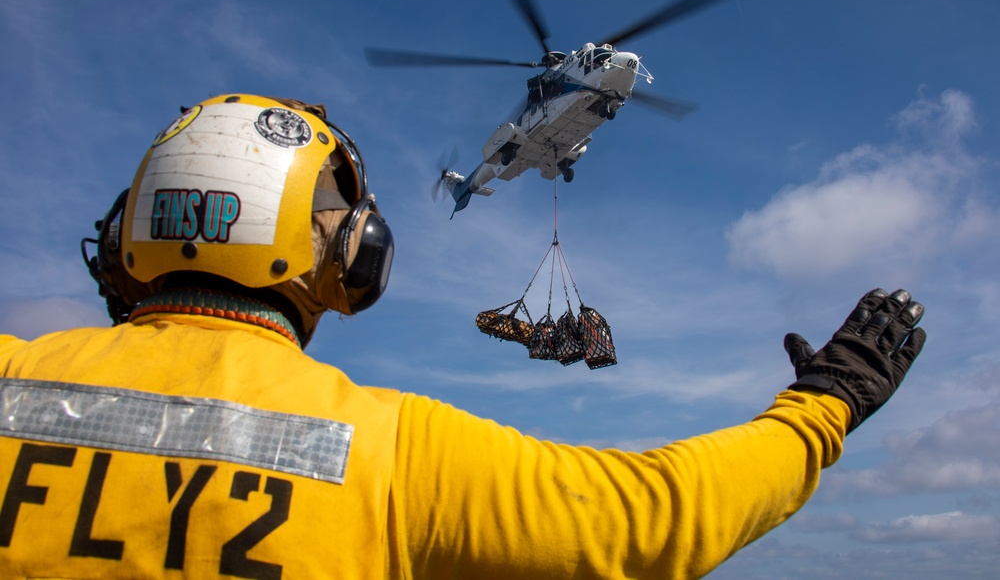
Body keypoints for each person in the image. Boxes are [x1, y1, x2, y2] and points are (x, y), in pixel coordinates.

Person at [0, 94, 926, 580]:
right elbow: (654, 521)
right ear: (352, 254)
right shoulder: (395, 454)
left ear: (129, 234)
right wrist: (825, 405)